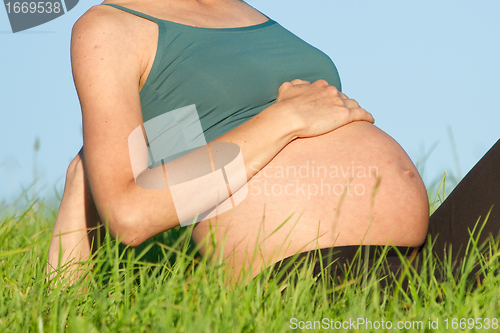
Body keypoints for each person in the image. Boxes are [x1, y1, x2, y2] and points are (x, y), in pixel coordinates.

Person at [46, 0, 498, 287]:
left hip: (422, 260)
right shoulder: (111, 26)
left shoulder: (247, 12)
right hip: (312, 278)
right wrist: (285, 118)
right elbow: (130, 212)